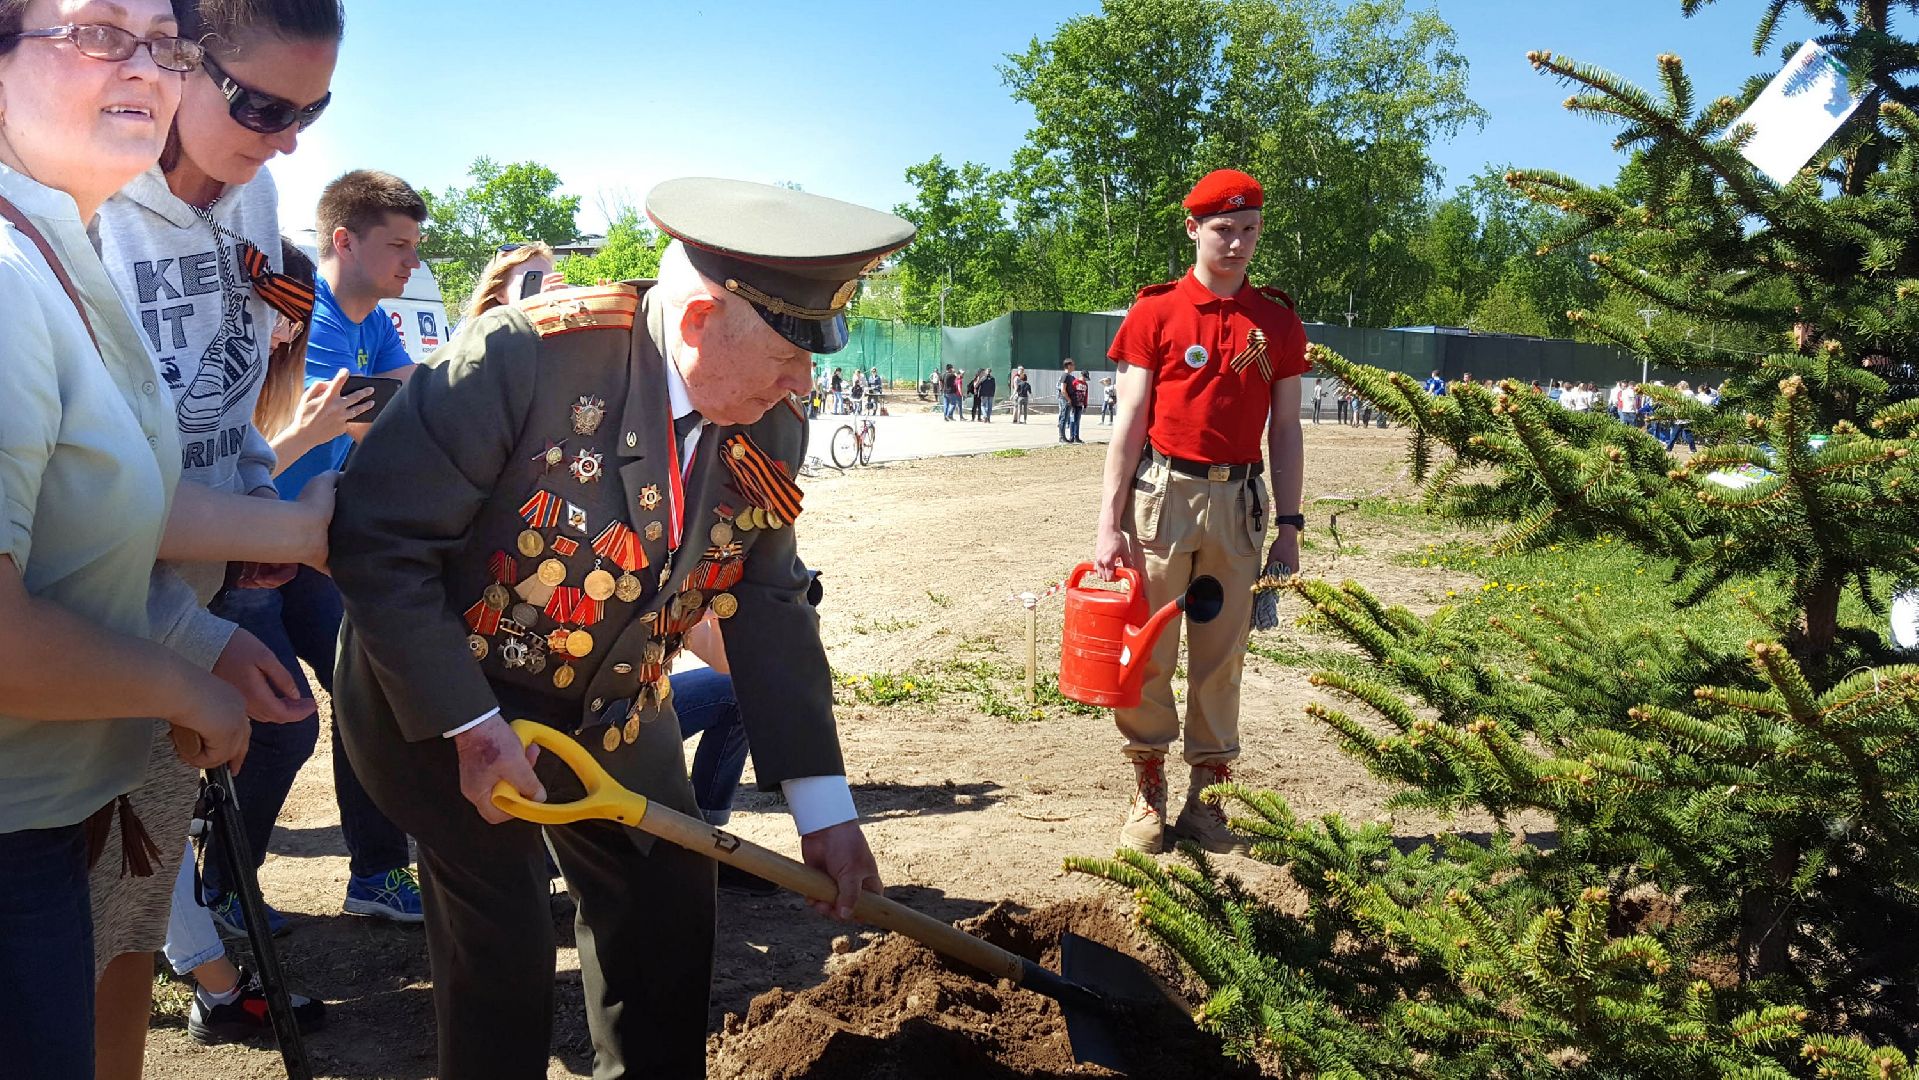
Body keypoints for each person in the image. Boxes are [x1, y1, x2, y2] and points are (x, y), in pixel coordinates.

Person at [328, 177, 905, 1078]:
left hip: (616, 700)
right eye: (787, 356)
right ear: (699, 321)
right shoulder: (521, 358)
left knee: (667, 903)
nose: (805, 382)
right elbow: (381, 544)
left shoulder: (770, 422)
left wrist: (823, 811)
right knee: (504, 936)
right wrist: (473, 729)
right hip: (447, 689)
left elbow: (768, 604)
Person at [0, 1, 332, 1071]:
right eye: (98, 32)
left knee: (125, 931)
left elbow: (172, 449)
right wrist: (191, 666)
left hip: (113, 700)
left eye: (164, 42)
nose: (288, 141)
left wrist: (208, 617)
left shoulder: (90, 237)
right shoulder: (38, 249)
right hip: (48, 733)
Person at [95, 0, 344, 1057]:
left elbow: (231, 397)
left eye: (310, 111)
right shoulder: (84, 207)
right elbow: (82, 509)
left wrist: (250, 520)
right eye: (262, 107)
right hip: (83, 632)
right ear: (175, 61)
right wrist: (288, 544)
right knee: (55, 946)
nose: (286, 142)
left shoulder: (256, 194)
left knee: (127, 923)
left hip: (181, 612)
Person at [1092, 169, 1307, 856]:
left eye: (1249, 230)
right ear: (1192, 229)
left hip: (1239, 505)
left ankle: (1206, 799)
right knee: (1148, 647)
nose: (1237, 243)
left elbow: (1286, 429)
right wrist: (1109, 523)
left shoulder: (1276, 321)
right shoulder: (1154, 313)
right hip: (1163, 500)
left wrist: (1290, 526)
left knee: (1221, 658)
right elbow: (1129, 420)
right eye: (1223, 229)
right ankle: (1147, 790)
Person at [264, 169, 427, 926]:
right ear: (345, 241)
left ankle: (376, 875)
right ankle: (219, 890)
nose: (412, 262)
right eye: (398, 246)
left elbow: (412, 395)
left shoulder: (373, 321)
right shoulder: (315, 317)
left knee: (368, 694)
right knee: (286, 723)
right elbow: (375, 415)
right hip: (246, 543)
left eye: (415, 246)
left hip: (311, 543)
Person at [465, 240, 559, 322]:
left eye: (552, 282)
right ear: (500, 294)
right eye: (533, 282)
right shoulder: (485, 334)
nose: (546, 291)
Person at [1058, 358, 1083, 443]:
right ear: (1068, 366)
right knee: (1063, 418)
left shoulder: (1071, 377)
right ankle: (1061, 437)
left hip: (1070, 400)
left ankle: (1065, 437)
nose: (1074, 366)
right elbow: (1063, 390)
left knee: (1066, 418)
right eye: (1073, 365)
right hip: (1065, 399)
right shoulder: (1065, 376)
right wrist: (1068, 399)